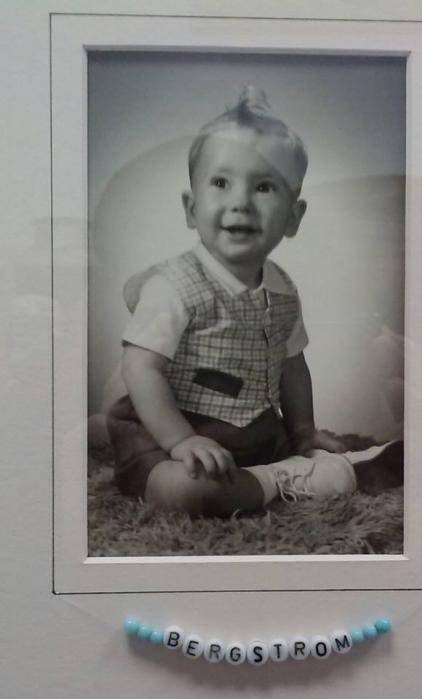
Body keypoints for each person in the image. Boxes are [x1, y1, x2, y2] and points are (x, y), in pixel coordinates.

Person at [106, 86, 403, 518]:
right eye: (221, 182)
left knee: (271, 444)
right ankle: (287, 479)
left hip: (257, 433)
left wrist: (303, 430)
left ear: (293, 217)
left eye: (264, 187)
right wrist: (180, 441)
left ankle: (301, 464)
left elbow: (292, 364)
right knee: (186, 492)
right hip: (169, 433)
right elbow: (140, 367)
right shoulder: (172, 286)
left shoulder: (282, 288)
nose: (240, 202)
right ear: (191, 208)